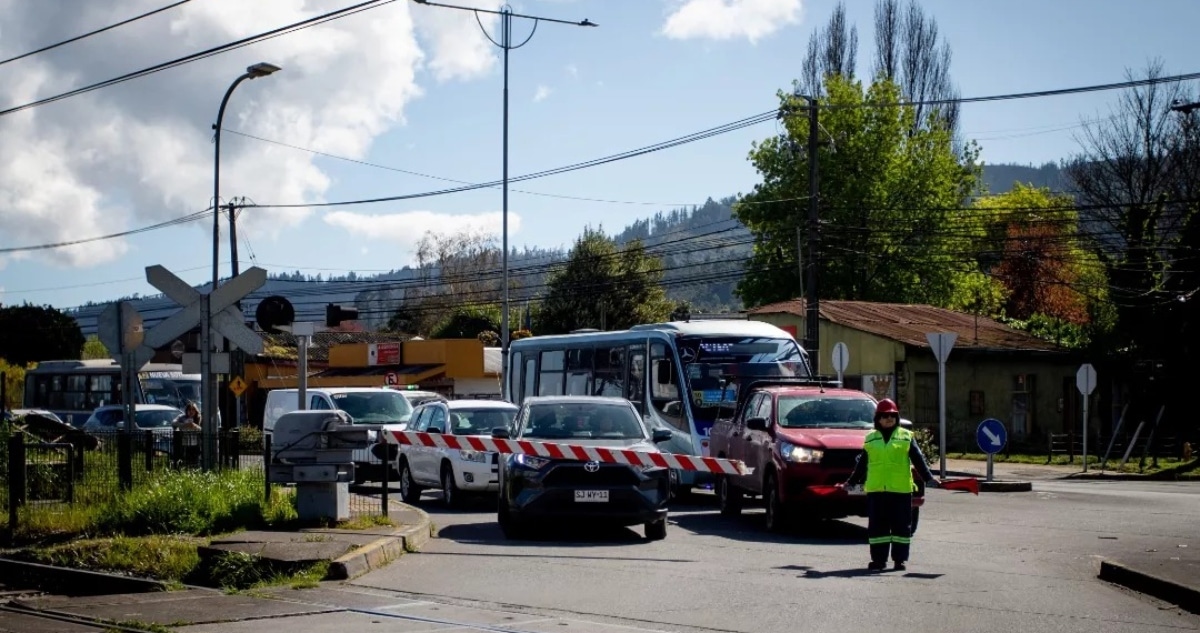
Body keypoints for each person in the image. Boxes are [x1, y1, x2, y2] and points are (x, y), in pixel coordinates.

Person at [841, 398, 939, 572]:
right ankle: (878, 561)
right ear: (878, 418)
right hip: (877, 491)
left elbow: (918, 460)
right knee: (878, 528)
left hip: (900, 491)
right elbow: (862, 465)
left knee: (901, 527)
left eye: (892, 416)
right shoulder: (870, 439)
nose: (889, 419)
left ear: (897, 418)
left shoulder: (906, 436)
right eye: (885, 416)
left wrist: (928, 478)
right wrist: (851, 482)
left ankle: (899, 560)